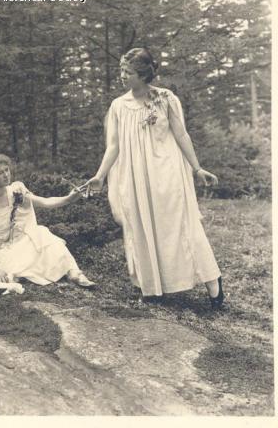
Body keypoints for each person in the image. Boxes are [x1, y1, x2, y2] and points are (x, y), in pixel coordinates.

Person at [82, 47, 223, 308]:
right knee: (140, 229)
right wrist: (100, 176)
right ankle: (150, 288)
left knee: (182, 227)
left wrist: (197, 168)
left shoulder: (166, 98)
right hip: (134, 177)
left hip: (167, 174)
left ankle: (214, 287)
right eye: (122, 70)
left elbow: (181, 135)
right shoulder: (118, 106)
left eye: (129, 72)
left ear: (144, 74)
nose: (123, 76)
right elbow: (113, 146)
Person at [0, 153, 94, 295]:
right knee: (6, 274)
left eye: (7, 170)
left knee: (42, 233)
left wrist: (69, 198)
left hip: (11, 243)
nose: (6, 175)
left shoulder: (14, 191)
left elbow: (45, 202)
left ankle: (73, 272)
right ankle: (13, 271)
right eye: (0, 173)